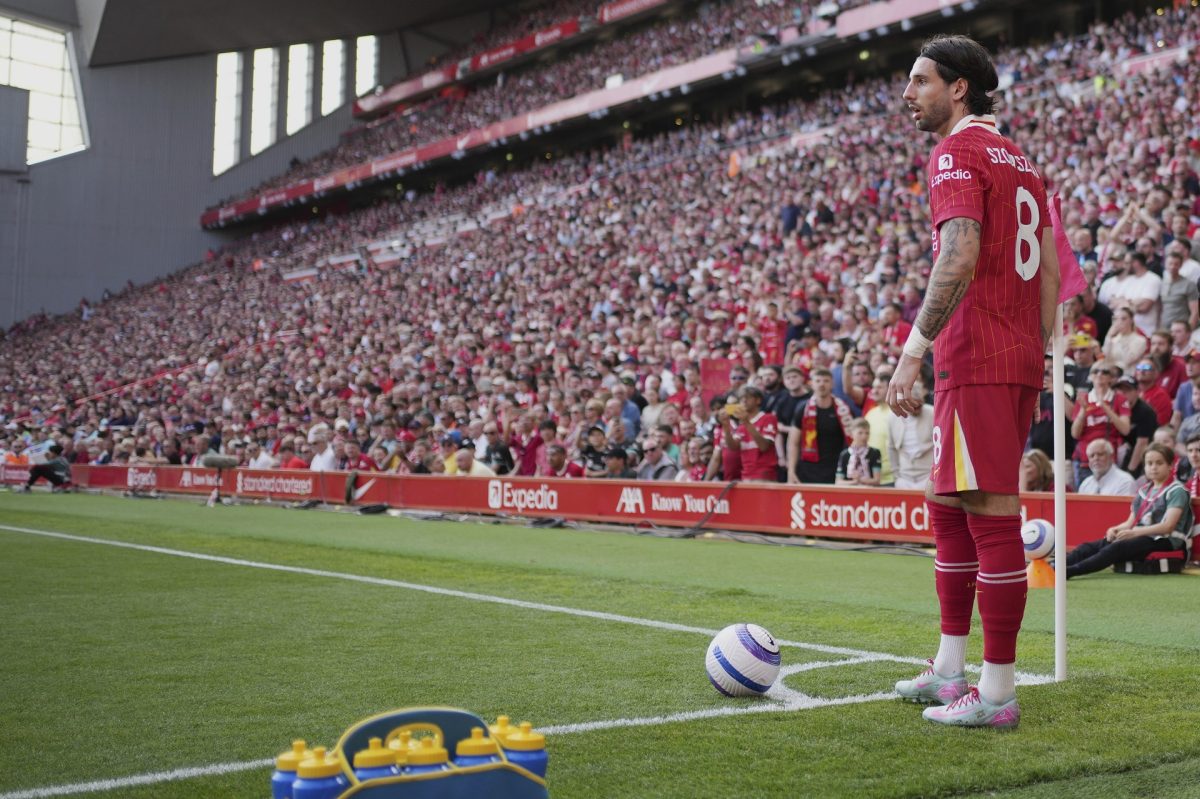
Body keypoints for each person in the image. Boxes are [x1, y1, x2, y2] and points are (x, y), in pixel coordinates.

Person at [888, 34, 1060, 728]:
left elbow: (957, 256)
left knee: (989, 514)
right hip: (1009, 352)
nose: (909, 94)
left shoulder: (956, 153)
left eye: (921, 81)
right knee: (948, 504)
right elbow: (1050, 268)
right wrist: (1037, 350)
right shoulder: (1021, 161)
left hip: (978, 352)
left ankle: (996, 694)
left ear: (959, 88)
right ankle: (949, 668)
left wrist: (912, 350)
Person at [1064, 443, 1193, 578]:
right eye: (1149, 463)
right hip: (1142, 535)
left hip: (1166, 540)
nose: (1153, 467)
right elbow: (1130, 522)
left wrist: (1135, 532)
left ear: (1170, 465)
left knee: (1116, 548)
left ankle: (1070, 571)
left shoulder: (1176, 490)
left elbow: (1168, 526)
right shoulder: (1144, 490)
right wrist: (1115, 529)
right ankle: (1056, 565)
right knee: (1091, 546)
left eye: (1159, 463)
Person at [787, 368, 851, 485]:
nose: (822, 384)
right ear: (811, 384)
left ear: (832, 384)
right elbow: (793, 442)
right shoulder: (802, 408)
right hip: (807, 471)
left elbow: (852, 440)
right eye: (818, 381)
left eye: (826, 381)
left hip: (836, 471)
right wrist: (791, 471)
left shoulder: (844, 409)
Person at [887, 375, 935, 490]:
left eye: (920, 404)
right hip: (903, 478)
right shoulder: (893, 417)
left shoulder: (932, 413)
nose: (917, 408)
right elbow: (891, 448)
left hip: (928, 477)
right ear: (905, 402)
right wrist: (896, 476)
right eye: (914, 405)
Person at [835, 419, 882, 486]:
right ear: (851, 434)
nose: (864, 436)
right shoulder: (845, 454)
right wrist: (854, 482)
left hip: (869, 490)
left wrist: (860, 480)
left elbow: (877, 481)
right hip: (850, 490)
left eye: (867, 433)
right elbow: (838, 482)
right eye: (860, 433)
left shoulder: (874, 452)